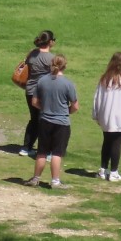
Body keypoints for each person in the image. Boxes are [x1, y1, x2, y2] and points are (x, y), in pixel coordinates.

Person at [26, 54, 79, 188]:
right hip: (61, 123)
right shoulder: (68, 84)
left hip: (45, 120)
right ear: (64, 66)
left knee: (42, 152)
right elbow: (75, 106)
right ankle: (55, 181)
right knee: (57, 153)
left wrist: (45, 108)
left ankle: (35, 178)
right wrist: (65, 112)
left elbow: (34, 102)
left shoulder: (42, 81)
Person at [91, 51, 121, 181]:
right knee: (116, 144)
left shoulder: (104, 79)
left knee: (106, 142)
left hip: (106, 117)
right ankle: (114, 172)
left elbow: (97, 98)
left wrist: (97, 114)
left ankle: (103, 170)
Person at [17, 30, 56, 157]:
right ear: (50, 42)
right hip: (43, 93)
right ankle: (44, 150)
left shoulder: (32, 54)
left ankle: (26, 147)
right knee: (44, 121)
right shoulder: (51, 58)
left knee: (34, 120)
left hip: (30, 91)